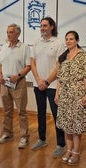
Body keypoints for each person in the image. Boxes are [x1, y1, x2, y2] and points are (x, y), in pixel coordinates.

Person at [30, 17, 65, 157]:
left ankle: (61, 144)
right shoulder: (36, 42)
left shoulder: (58, 43)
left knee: (57, 115)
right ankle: (42, 139)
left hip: (53, 85)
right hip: (38, 84)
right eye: (41, 25)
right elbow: (32, 62)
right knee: (40, 113)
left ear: (51, 27)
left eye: (45, 25)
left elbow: (59, 66)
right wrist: (38, 80)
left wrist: (47, 82)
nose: (42, 28)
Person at [0, 23, 31, 149]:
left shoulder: (25, 47)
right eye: (7, 32)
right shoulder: (4, 47)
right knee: (7, 110)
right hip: (5, 83)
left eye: (11, 32)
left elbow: (28, 66)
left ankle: (24, 137)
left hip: (19, 82)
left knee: (21, 111)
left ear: (17, 33)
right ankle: (7, 133)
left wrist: (18, 75)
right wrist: (0, 76)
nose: (8, 34)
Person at [55, 31, 86, 165]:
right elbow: (60, 79)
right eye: (67, 39)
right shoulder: (64, 57)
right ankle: (68, 150)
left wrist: (85, 94)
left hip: (78, 94)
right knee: (66, 125)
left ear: (77, 41)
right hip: (65, 95)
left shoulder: (83, 56)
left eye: (71, 39)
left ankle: (76, 152)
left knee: (76, 125)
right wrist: (57, 93)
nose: (68, 41)